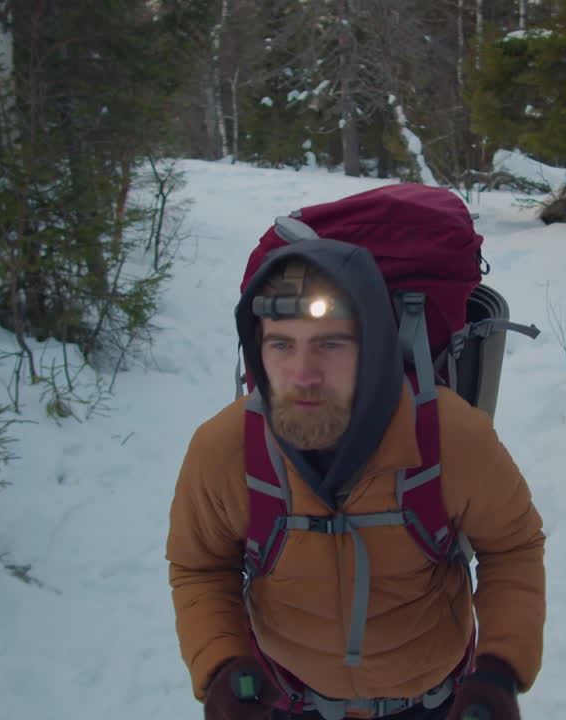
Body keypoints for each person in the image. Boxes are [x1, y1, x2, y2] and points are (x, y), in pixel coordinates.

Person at [167, 234, 545, 720]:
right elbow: (201, 566)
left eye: (329, 344)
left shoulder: (449, 437)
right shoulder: (225, 450)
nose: (302, 373)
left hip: (433, 703)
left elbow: (512, 548)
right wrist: (219, 664)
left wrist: (498, 669)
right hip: (286, 700)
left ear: (373, 349)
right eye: (281, 344)